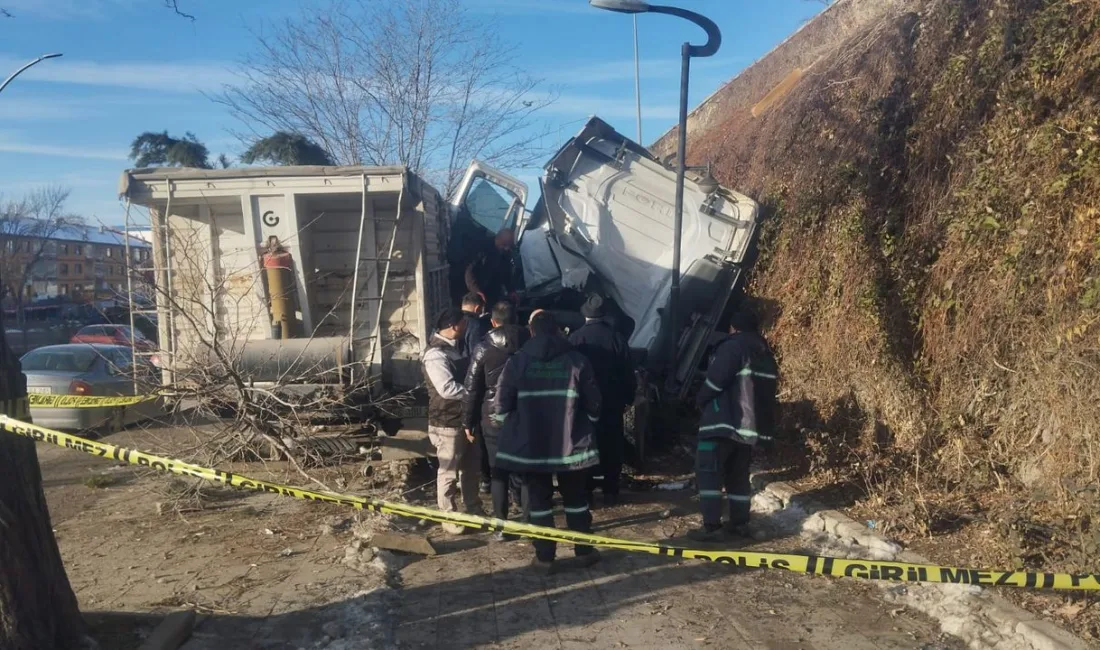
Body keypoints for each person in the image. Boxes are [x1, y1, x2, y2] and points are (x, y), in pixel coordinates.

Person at [495, 310, 603, 574]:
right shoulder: (577, 361)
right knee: (576, 498)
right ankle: (584, 551)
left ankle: (545, 557)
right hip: (571, 446)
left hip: (532, 447)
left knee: (539, 502)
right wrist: (587, 422)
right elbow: (595, 404)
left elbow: (500, 406)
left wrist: (513, 428)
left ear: (531, 331)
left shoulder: (517, 362)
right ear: (557, 331)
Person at [688, 307, 779, 542]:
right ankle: (740, 524)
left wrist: (700, 399)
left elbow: (716, 381)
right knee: (738, 476)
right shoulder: (765, 352)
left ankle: (711, 527)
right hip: (747, 428)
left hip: (721, 424)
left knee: (709, 473)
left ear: (733, 328)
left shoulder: (732, 347)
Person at [462, 300, 528, 539]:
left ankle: (501, 525)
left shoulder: (483, 348)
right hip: (524, 415)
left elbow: (471, 389)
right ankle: (530, 525)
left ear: (492, 321)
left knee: (498, 472)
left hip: (492, 418)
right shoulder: (530, 344)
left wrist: (467, 422)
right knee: (525, 470)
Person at [569, 294, 636, 506]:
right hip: (612, 401)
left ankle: (586, 489)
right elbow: (627, 371)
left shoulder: (576, 339)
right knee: (612, 444)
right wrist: (628, 398)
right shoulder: (617, 338)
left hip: (584, 403)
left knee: (586, 445)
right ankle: (611, 490)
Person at [421, 308, 482, 534]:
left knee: (470, 468)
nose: (466, 327)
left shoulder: (453, 349)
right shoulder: (436, 354)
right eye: (464, 323)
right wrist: (473, 392)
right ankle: (448, 515)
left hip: (462, 420)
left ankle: (474, 508)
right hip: (446, 421)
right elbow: (446, 389)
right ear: (454, 326)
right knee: (448, 470)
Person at [460, 292, 494, 492]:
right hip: (472, 384)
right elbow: (477, 357)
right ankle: (485, 477)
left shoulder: (452, 324)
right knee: (478, 433)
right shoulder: (477, 326)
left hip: (453, 385)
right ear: (477, 308)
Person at [463, 228, 516, 308]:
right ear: (498, 239)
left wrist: (511, 290)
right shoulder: (482, 247)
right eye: (504, 244)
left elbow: (507, 273)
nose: (507, 248)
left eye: (509, 245)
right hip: (478, 290)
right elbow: (469, 270)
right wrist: (476, 290)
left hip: (495, 292)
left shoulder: (506, 253)